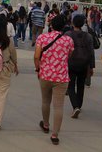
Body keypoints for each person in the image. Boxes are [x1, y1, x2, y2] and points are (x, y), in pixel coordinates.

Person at [34, 15, 74, 145]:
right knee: (59, 106)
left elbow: (36, 56)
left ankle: (45, 125)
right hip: (61, 77)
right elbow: (69, 55)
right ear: (64, 26)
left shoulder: (42, 37)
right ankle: (55, 135)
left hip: (45, 75)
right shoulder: (68, 40)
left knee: (45, 101)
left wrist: (38, 69)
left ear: (51, 25)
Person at [64, 15, 95, 119]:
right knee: (81, 85)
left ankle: (75, 106)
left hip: (71, 63)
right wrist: (91, 67)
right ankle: (79, 105)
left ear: (73, 23)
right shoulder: (88, 36)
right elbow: (91, 52)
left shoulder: (68, 34)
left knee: (71, 85)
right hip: (84, 63)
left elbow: (64, 50)